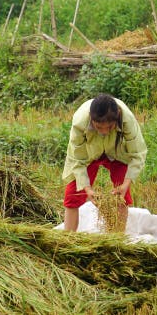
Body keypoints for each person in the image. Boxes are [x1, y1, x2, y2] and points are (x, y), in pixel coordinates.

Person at [61, 93, 147, 232]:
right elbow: (77, 158)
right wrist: (87, 189)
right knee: (72, 194)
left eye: (109, 127)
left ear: (117, 115)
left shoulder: (127, 119)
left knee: (121, 196)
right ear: (91, 118)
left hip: (117, 152)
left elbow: (138, 153)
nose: (104, 132)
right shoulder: (80, 121)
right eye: (99, 127)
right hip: (90, 152)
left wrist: (126, 183)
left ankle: (117, 238)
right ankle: (67, 238)